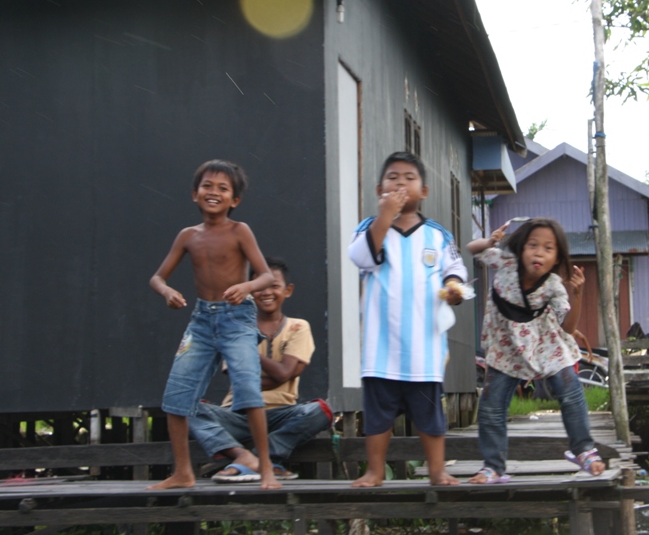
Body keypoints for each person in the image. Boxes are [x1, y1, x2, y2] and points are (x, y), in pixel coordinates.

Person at [148, 159, 279, 490]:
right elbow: (157, 277)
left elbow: (264, 274)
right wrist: (167, 291)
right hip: (202, 322)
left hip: (237, 319)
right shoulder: (188, 236)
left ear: (234, 200)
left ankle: (265, 469)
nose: (214, 192)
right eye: (207, 186)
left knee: (249, 390)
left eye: (223, 188)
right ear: (195, 194)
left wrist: (246, 287)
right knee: (176, 396)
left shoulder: (240, 231)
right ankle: (183, 472)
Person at [347, 151, 467, 487]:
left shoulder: (438, 235)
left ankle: (437, 469)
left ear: (424, 191)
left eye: (409, 178)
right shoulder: (369, 229)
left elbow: (455, 270)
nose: (401, 183)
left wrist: (453, 288)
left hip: (425, 347)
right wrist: (384, 217)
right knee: (378, 415)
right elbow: (359, 257)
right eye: (393, 178)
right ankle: (374, 471)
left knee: (430, 414)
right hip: (380, 346)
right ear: (379, 189)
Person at [465, 217, 606, 484]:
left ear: (556, 259)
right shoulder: (506, 262)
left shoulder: (553, 285)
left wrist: (577, 296)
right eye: (533, 244)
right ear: (521, 248)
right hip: (506, 348)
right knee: (492, 406)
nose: (539, 252)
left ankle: (584, 451)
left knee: (571, 392)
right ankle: (493, 467)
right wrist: (490, 241)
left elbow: (567, 328)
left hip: (547, 346)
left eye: (548, 248)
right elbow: (473, 248)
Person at [190, 258, 333, 482]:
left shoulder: (298, 327)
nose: (266, 292)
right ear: (249, 291)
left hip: (281, 414)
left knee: (318, 411)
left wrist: (252, 357)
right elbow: (242, 380)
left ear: (288, 291)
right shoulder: (236, 327)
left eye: (274, 286)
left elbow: (283, 374)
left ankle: (257, 460)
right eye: (259, 287)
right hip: (238, 414)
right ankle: (244, 457)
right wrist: (279, 374)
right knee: (188, 405)